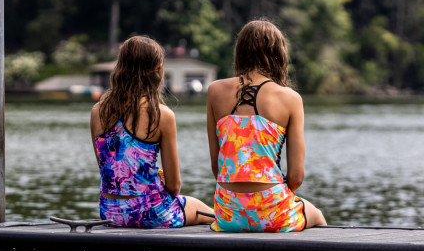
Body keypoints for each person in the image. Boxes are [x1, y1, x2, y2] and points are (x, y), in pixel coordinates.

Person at [206, 19, 327, 232]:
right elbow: (297, 177)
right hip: (272, 212)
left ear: (240, 51)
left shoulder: (215, 91)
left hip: (228, 213)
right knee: (316, 214)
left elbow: (218, 168)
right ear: (278, 54)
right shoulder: (290, 98)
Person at [91, 35, 214, 228]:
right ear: (158, 70)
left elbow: (111, 171)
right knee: (206, 211)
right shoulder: (161, 114)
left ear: (120, 67)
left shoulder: (98, 111)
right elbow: (174, 187)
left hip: (110, 212)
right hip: (150, 213)